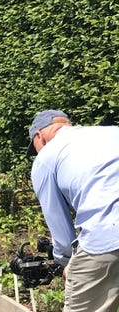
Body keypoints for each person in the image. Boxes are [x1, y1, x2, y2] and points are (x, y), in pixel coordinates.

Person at [27, 109, 119, 312]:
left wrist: (67, 262)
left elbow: (60, 228)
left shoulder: (46, 158)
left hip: (106, 237)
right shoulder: (112, 132)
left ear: (39, 137)